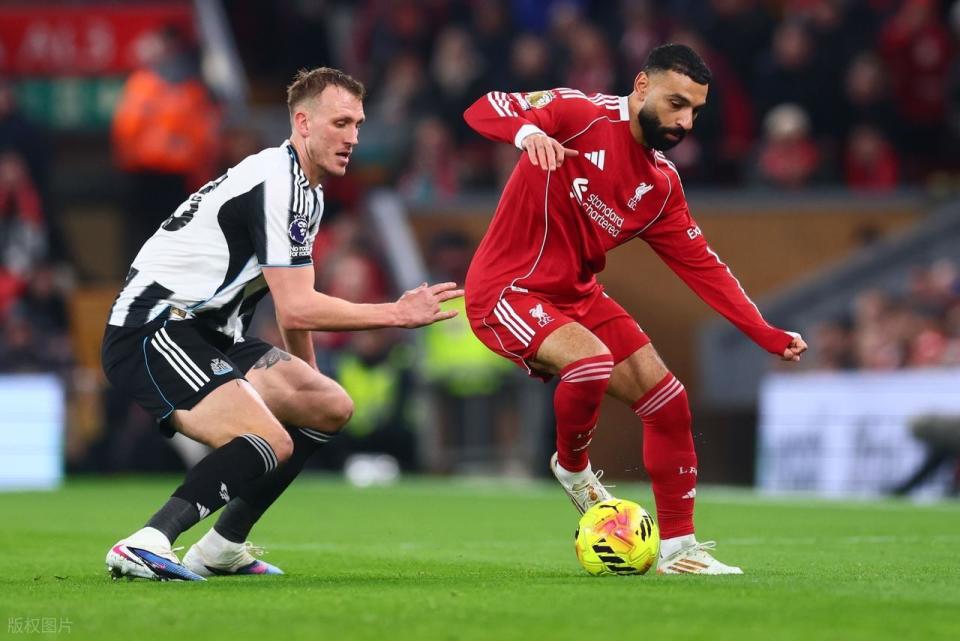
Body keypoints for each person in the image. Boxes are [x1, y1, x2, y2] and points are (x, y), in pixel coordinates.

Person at [102, 67, 462, 581]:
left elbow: (292, 297)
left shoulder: (306, 190)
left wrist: (305, 379)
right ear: (303, 122)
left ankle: (222, 546)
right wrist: (396, 313)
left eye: (358, 124)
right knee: (269, 440)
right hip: (154, 328)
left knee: (328, 404)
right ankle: (147, 541)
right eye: (340, 123)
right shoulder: (276, 183)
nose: (353, 138)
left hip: (211, 334)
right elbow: (295, 309)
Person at [462, 44, 807, 575]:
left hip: (576, 295)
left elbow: (704, 267)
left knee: (669, 402)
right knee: (591, 361)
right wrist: (527, 133)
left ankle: (680, 550)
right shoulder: (578, 113)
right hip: (507, 290)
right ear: (642, 86)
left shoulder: (661, 185)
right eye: (676, 104)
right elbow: (484, 107)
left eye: (695, 111)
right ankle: (574, 470)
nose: (685, 122)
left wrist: (764, 332)